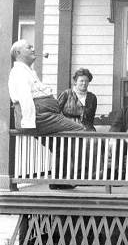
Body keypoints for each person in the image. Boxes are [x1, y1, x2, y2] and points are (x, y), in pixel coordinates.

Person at [8, 39, 85, 190]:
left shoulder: (28, 71)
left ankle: (59, 180)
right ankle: (73, 174)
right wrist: (29, 123)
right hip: (39, 117)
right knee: (79, 131)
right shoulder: (18, 72)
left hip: (44, 115)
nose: (32, 49)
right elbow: (24, 97)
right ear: (18, 53)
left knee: (58, 145)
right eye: (28, 47)